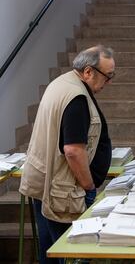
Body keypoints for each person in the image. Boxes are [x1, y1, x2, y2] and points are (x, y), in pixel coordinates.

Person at [19, 45, 115, 264]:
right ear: (89, 71)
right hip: (62, 190)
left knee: (50, 252)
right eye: (107, 76)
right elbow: (73, 151)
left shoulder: (62, 83)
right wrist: (89, 186)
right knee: (71, 254)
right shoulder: (77, 97)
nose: (109, 82)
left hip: (44, 183)